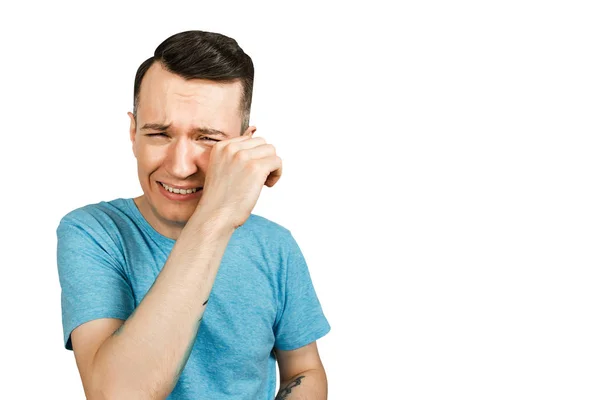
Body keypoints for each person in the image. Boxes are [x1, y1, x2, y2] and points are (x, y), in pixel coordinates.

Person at [56, 30, 330, 399]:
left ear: (243, 143)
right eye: (159, 134)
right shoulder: (92, 233)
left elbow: (305, 369)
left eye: (207, 139)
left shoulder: (275, 245)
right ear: (133, 131)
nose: (181, 167)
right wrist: (217, 217)